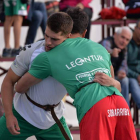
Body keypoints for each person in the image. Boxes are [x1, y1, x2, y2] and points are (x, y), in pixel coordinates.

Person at [15, 8, 137, 140]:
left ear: (65, 30)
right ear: (84, 32)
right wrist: (115, 82)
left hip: (94, 106)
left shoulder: (49, 55)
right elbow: (113, 84)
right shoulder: (100, 47)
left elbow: (19, 87)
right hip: (121, 103)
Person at [100, 26, 133, 107]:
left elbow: (124, 65)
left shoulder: (124, 49)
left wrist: (121, 72)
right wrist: (111, 54)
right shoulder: (107, 42)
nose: (124, 41)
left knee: (125, 80)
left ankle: (124, 109)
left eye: (127, 40)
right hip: (101, 78)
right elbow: (103, 60)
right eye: (122, 37)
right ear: (115, 35)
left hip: (113, 78)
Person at [127, 20, 140, 109]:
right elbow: (122, 66)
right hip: (130, 76)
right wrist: (136, 75)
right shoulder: (126, 41)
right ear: (135, 28)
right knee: (131, 82)